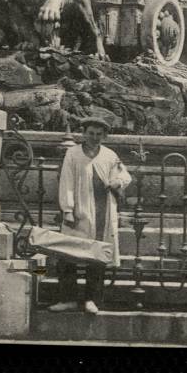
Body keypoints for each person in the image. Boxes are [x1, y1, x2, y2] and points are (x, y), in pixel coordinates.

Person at [48, 118, 131, 314]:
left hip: (102, 210)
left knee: (97, 254)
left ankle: (91, 299)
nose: (94, 138)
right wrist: (68, 210)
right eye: (91, 133)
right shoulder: (73, 153)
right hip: (78, 210)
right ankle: (67, 298)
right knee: (68, 254)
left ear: (104, 136)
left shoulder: (110, 155)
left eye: (99, 134)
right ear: (84, 133)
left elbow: (125, 175)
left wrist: (117, 182)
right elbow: (66, 181)